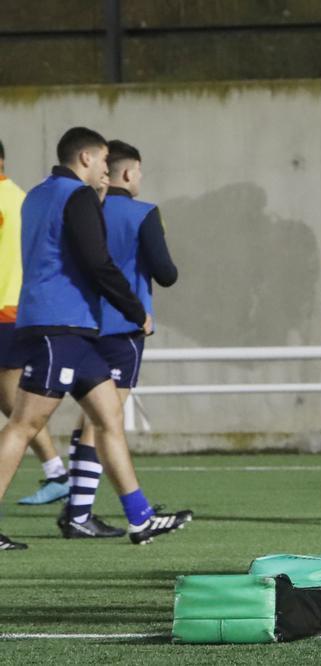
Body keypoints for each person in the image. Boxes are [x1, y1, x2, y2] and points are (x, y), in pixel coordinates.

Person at [0, 127, 192, 551]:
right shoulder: (77, 196)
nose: (107, 169)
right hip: (61, 327)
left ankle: (140, 518)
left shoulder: (37, 193)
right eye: (104, 161)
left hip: (67, 329)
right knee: (24, 424)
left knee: (107, 419)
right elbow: (97, 262)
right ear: (86, 158)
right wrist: (135, 310)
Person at [59, 140, 178, 539]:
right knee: (105, 420)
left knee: (90, 418)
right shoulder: (143, 213)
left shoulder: (85, 207)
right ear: (129, 172)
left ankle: (77, 507)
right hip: (123, 331)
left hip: (82, 324)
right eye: (139, 171)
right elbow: (165, 272)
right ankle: (81, 513)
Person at [0, 139, 73, 507]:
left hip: (4, 311)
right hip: (15, 309)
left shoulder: (6, 199)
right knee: (12, 402)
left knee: (18, 405)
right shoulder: (23, 197)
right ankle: (57, 471)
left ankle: (58, 472)